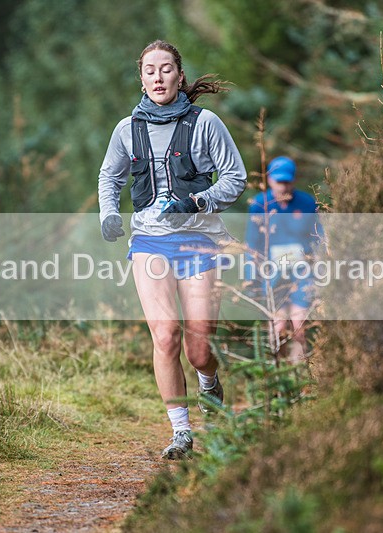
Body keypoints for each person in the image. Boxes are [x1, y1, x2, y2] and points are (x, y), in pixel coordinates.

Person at [97, 40, 247, 460]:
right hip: (148, 242)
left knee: (199, 348)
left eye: (166, 69)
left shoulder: (206, 124)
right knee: (165, 337)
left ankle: (209, 383)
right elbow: (108, 179)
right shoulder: (126, 130)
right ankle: (181, 432)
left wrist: (198, 201)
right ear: (141, 79)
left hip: (199, 240)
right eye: (150, 70)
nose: (158, 77)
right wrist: (109, 214)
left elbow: (235, 177)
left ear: (180, 76)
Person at [244, 156, 321, 364]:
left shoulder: (307, 203)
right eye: (279, 181)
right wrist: (251, 278)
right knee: (278, 328)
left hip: (302, 274)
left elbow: (319, 240)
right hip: (273, 275)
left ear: (294, 180)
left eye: (287, 181)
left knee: (299, 326)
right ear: (269, 180)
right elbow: (252, 245)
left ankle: (299, 377)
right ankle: (277, 376)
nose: (283, 186)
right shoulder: (259, 205)